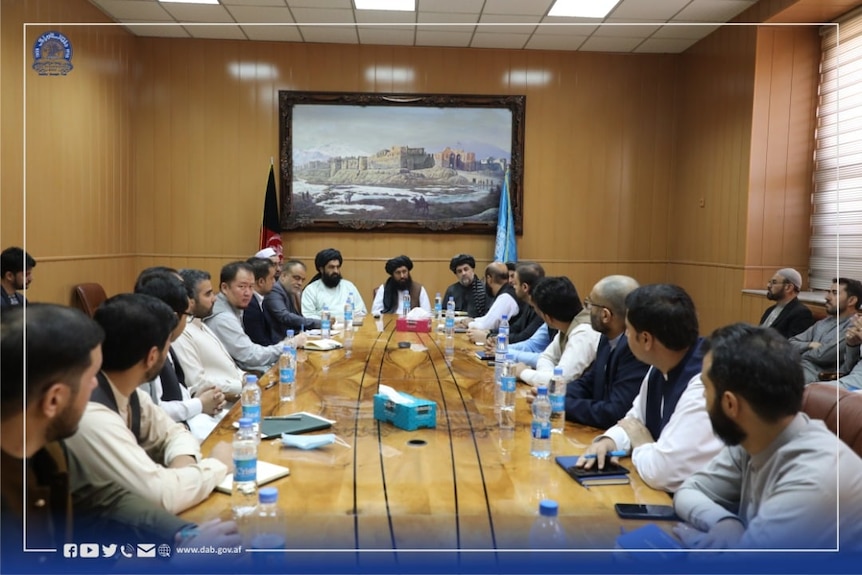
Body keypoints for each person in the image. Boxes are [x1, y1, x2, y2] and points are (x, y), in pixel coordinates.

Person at [0, 304, 240, 568]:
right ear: (54, 399)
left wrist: (182, 536)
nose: (95, 385)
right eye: (90, 376)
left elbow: (106, 499)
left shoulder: (46, 447)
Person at [673, 323, 862, 549]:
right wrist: (724, 523)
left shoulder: (814, 483)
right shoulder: (756, 435)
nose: (703, 397)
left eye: (705, 388)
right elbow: (689, 490)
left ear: (730, 404)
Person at [64, 294, 233, 514]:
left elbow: (175, 433)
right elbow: (161, 497)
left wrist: (182, 474)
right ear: (153, 356)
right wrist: (218, 465)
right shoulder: (92, 416)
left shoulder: (129, 392)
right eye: (168, 346)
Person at [577, 284, 723, 492]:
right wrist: (609, 441)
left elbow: (663, 473)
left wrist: (644, 444)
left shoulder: (704, 381)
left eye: (628, 329)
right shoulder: (659, 365)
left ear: (645, 339)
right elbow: (633, 420)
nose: (625, 335)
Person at [135, 271, 226, 441]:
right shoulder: (149, 350)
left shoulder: (164, 339)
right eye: (187, 314)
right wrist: (199, 404)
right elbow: (155, 409)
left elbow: (176, 388)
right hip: (175, 432)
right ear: (175, 316)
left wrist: (199, 396)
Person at [562, 275, 650, 429]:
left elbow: (615, 412)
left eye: (589, 305)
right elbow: (589, 382)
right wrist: (553, 394)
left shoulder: (635, 350)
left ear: (605, 315)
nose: (587, 310)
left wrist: (561, 404)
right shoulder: (607, 337)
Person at [205, 261, 306, 373]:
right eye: (242, 286)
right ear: (224, 288)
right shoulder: (223, 318)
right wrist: (291, 343)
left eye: (251, 287)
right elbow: (251, 356)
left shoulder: (234, 306)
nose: (248, 293)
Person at [514, 276, 600, 387]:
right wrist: (546, 377)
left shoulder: (583, 333)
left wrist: (522, 372)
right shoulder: (567, 325)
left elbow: (559, 382)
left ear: (548, 318)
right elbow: (546, 358)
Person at [173, 269, 245, 399]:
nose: (214, 298)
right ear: (189, 300)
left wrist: (245, 377)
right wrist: (240, 385)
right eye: (208, 294)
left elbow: (229, 366)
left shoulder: (200, 322)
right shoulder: (181, 333)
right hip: (217, 409)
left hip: (240, 395)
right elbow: (196, 383)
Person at [788, 277, 862, 383]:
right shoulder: (823, 323)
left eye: (834, 293)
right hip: (797, 364)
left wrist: (801, 352)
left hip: (818, 375)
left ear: (851, 300)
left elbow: (822, 356)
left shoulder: (854, 326)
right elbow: (790, 343)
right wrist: (809, 345)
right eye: (828, 292)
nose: (827, 297)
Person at [471, 261, 544, 345]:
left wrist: (488, 336)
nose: (512, 286)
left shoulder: (542, 309)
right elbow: (514, 328)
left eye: (516, 283)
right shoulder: (529, 304)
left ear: (524, 287)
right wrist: (490, 332)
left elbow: (523, 338)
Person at [301, 248, 368, 321]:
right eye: (331, 267)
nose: (336, 271)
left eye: (338, 267)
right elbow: (307, 316)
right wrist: (328, 321)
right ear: (321, 269)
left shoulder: (349, 286)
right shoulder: (311, 290)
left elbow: (361, 312)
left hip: (348, 328)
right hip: (324, 329)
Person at [264, 259, 321, 334]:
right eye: (296, 278)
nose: (300, 283)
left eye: (302, 280)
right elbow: (285, 317)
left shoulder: (291, 291)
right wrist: (319, 323)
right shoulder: (274, 290)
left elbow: (298, 318)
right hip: (278, 341)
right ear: (284, 276)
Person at [459, 262, 519, 331]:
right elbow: (488, 318)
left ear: (489, 279)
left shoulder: (506, 297)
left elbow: (488, 326)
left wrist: (469, 324)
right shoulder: (505, 292)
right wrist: (472, 320)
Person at [759, 268, 814, 338]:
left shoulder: (801, 313)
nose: (768, 285)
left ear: (789, 287)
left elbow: (793, 344)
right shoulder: (769, 310)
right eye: (769, 282)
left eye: (774, 282)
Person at [242, 257, 281, 346]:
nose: (274, 282)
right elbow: (259, 342)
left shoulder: (261, 300)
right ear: (261, 282)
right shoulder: (250, 305)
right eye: (272, 278)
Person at [443, 253, 487, 318]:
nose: (463, 273)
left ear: (472, 269)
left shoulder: (484, 289)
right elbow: (443, 314)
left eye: (466, 269)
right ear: (456, 274)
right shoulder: (451, 290)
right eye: (459, 271)